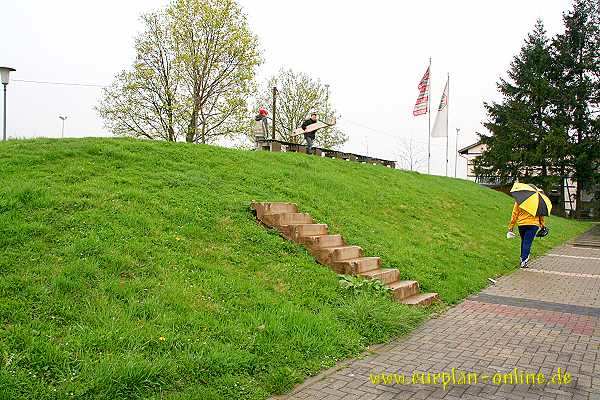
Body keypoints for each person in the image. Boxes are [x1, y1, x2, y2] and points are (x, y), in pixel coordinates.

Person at [507, 202, 545, 268]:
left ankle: (522, 258)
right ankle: (524, 261)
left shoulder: (519, 200)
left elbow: (515, 213)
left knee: (524, 241)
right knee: (527, 242)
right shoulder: (538, 202)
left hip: (522, 224)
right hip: (533, 224)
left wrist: (511, 226)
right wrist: (542, 225)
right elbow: (541, 215)